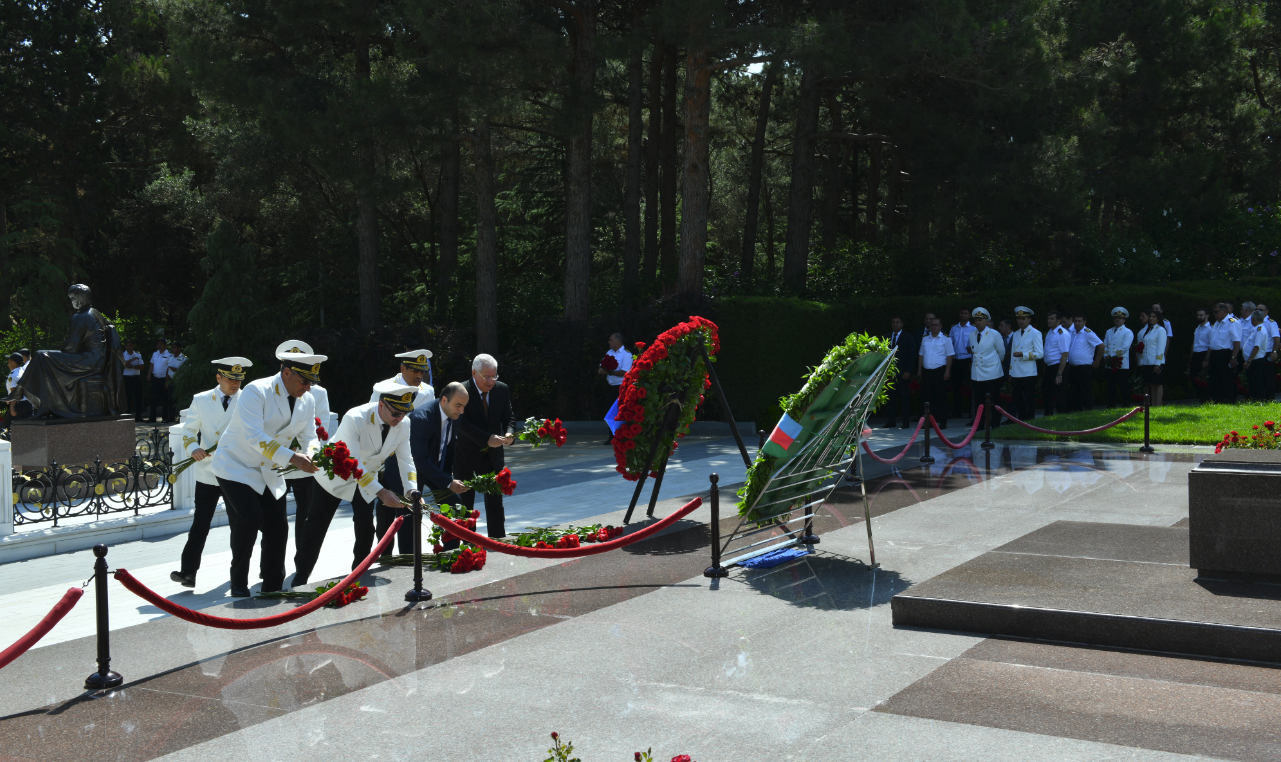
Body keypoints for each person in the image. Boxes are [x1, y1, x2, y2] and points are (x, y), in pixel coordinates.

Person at [210, 344, 325, 597]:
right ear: (286, 373)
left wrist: (313, 454)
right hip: (236, 465)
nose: (308, 388)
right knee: (249, 519)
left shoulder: (307, 400)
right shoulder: (256, 390)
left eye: (311, 382)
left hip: (269, 469)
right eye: (304, 381)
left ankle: (272, 585)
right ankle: (238, 581)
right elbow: (254, 436)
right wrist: (293, 457)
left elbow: (310, 436)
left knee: (278, 527)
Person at [292, 380, 418, 587]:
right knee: (315, 527)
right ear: (381, 405)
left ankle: (359, 575)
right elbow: (354, 462)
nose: (400, 418)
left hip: (366, 480)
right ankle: (301, 576)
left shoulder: (403, 423)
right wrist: (381, 492)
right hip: (336, 474)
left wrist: (411, 488)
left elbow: (406, 458)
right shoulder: (355, 417)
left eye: (404, 413)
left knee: (365, 528)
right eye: (396, 413)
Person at [169, 357, 252, 588]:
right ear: (218, 377)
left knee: (238, 524)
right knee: (200, 524)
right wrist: (192, 447)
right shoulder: (202, 399)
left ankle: (238, 574)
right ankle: (188, 572)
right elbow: (189, 430)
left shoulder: (249, 399)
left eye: (238, 379)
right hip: (207, 471)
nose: (234, 384)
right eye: (229, 379)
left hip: (236, 472)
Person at [369, 348, 436, 547]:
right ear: (402, 368)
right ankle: (384, 555)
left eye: (422, 371)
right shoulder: (385, 388)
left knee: (409, 509)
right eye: (414, 370)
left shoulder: (428, 391)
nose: (419, 375)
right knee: (386, 512)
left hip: (410, 457)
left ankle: (408, 556)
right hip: (386, 456)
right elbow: (373, 422)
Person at [273, 339, 328, 569]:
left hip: (304, 464)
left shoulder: (318, 393)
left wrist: (307, 451)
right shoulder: (271, 389)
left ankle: (300, 563)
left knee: (305, 517)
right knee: (277, 520)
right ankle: (275, 565)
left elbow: (320, 427)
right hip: (277, 462)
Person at [455, 353, 515, 539]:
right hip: (466, 456)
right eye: (487, 377)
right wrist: (486, 438)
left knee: (495, 503)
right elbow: (461, 423)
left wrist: (510, 433)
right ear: (474, 373)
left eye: (494, 376)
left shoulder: (501, 389)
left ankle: (498, 540)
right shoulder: (460, 391)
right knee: (465, 505)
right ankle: (466, 542)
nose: (491, 381)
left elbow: (509, 416)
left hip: (493, 456)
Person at [408, 381, 472, 550]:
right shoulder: (421, 419)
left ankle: (452, 551)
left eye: (464, 406)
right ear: (444, 400)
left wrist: (447, 479)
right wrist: (448, 482)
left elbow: (449, 446)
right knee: (412, 514)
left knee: (453, 504)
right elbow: (419, 459)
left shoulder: (454, 415)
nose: (461, 411)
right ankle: (410, 559)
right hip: (412, 470)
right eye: (458, 405)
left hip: (435, 468)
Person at [1059, 312, 1102, 411]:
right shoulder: (1072, 332)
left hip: (1084, 367)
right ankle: (1077, 410)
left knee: (1085, 390)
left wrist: (1097, 361)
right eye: (1075, 321)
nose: (1077, 323)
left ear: (1084, 322)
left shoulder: (1088, 333)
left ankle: (1088, 409)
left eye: (1079, 321)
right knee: (1074, 390)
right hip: (1072, 367)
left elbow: (1101, 345)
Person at [968, 308, 1004, 426]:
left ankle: (995, 422)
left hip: (992, 372)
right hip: (977, 373)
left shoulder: (994, 334)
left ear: (986, 321)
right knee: (979, 401)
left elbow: (1001, 352)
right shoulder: (972, 335)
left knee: (993, 400)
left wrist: (994, 364)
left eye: (980, 320)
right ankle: (980, 423)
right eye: (976, 320)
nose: (977, 323)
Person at [917, 317, 954, 429]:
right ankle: (929, 421)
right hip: (927, 371)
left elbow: (950, 355)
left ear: (940, 326)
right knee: (927, 398)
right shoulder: (925, 338)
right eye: (932, 325)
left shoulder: (946, 339)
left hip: (940, 370)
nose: (933, 327)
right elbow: (921, 355)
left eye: (936, 325)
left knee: (941, 397)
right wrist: (919, 370)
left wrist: (947, 371)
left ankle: (942, 421)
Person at [1009, 307, 1043, 421]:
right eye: (1018, 318)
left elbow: (1039, 354)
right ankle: (1022, 419)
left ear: (1029, 320)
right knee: (1017, 397)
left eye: (1023, 318)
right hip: (1016, 372)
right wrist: (1010, 371)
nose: (1020, 321)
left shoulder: (1035, 333)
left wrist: (1023, 354)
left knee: (1029, 398)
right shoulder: (1015, 333)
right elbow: (1012, 354)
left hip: (1028, 371)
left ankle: (1030, 419)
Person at [884, 317, 918, 429]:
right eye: (893, 322)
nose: (895, 324)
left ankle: (906, 421)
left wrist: (908, 371)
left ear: (902, 324)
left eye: (897, 322)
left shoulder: (908, 337)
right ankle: (891, 421)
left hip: (903, 373)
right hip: (890, 373)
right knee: (890, 399)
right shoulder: (887, 337)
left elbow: (912, 355)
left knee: (904, 398)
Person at [599, 333, 633, 443]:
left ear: (618, 341)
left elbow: (625, 372)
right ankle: (612, 437)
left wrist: (609, 371)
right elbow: (601, 368)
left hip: (622, 387)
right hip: (610, 386)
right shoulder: (609, 353)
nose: (609, 342)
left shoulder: (626, 354)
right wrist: (602, 370)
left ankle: (623, 436)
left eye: (611, 340)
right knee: (610, 412)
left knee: (622, 412)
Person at [1205, 302, 1242, 404]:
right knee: (1214, 379)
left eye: (1216, 312)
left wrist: (1234, 357)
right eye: (1213, 312)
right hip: (1215, 354)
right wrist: (1207, 358)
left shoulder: (1233, 322)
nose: (1214, 314)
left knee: (1226, 380)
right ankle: (1217, 401)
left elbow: (1237, 341)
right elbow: (1212, 342)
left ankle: (1228, 401)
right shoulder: (1217, 323)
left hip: (1225, 354)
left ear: (1224, 311)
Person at [1103, 308, 1134, 408]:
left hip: (1121, 363)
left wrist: (1111, 356)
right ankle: (1111, 405)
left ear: (1124, 320)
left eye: (1120, 318)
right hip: (1109, 363)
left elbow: (1125, 347)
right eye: (1116, 318)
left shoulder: (1128, 332)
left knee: (1123, 386)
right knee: (1110, 386)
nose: (1117, 320)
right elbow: (1105, 345)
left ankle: (1126, 404)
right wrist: (1105, 355)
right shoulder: (1109, 331)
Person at [949, 309, 976, 419]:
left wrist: (972, 361)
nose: (963, 315)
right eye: (961, 313)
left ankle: (971, 411)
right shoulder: (953, 328)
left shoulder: (973, 329)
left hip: (967, 359)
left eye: (965, 313)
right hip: (956, 360)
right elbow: (950, 344)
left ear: (969, 316)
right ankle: (957, 411)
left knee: (970, 387)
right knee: (956, 387)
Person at [1136, 311, 1168, 406]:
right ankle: (1153, 405)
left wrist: (1157, 363)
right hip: (1147, 361)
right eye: (1150, 317)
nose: (1151, 319)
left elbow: (1161, 347)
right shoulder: (1148, 330)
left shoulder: (1161, 330)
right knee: (1151, 384)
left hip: (1156, 361)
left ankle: (1157, 405)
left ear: (1158, 319)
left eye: (1154, 317)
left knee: (1157, 384)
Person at [1042, 311, 1069, 416]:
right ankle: (1048, 413)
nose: (1049, 320)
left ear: (1059, 320)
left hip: (1059, 366)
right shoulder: (1050, 332)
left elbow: (1065, 354)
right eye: (1048, 318)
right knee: (1046, 391)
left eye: (1052, 319)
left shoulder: (1062, 333)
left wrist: (1059, 373)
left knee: (1059, 392)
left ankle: (1061, 414)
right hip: (1050, 366)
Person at [1242, 310, 1270, 401]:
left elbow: (1256, 346)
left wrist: (1249, 361)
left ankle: (1260, 400)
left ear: (1253, 319)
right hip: (1254, 360)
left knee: (1257, 381)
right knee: (1253, 381)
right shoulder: (1257, 329)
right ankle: (1256, 399)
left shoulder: (1259, 330)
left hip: (1255, 360)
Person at [1189, 308, 1212, 403]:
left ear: (1207, 316)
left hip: (1203, 354)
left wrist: (1206, 359)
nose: (1199, 317)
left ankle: (1206, 399)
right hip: (1196, 354)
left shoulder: (1210, 329)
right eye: (1198, 315)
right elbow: (1194, 343)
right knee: (1194, 377)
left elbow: (1211, 344)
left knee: (1203, 378)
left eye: (1201, 315)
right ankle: (1201, 397)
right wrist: (1191, 358)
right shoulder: (1197, 328)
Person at [147, 338, 172, 423]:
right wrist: (149, 374)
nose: (159, 345)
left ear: (165, 345)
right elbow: (152, 364)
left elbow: (169, 367)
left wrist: (167, 380)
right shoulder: (155, 354)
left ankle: (165, 417)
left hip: (163, 379)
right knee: (153, 399)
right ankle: (152, 418)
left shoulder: (169, 355)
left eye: (161, 344)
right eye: (158, 344)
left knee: (165, 399)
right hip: (155, 378)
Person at [1259, 303, 1279, 400]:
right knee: (1259, 377)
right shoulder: (1255, 322)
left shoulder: (1270, 323)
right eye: (1256, 310)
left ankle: (1270, 398)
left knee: (1268, 377)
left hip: (1267, 353)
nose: (1258, 312)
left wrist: (1274, 352)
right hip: (1258, 354)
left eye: (1261, 310)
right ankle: (1261, 398)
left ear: (1266, 312)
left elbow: (1276, 338)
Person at [165, 341, 188, 422]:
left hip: (179, 381)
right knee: (170, 400)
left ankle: (180, 418)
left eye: (174, 347)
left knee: (179, 400)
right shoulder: (170, 357)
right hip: (171, 381)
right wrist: (166, 381)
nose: (172, 349)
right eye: (172, 347)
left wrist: (177, 370)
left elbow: (187, 370)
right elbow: (168, 370)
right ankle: (171, 418)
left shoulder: (184, 358)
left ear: (179, 348)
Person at [122, 340, 144, 421]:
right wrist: (132, 359)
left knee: (138, 397)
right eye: (127, 345)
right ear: (125, 347)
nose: (129, 347)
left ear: (133, 346)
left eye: (130, 345)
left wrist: (133, 366)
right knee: (127, 397)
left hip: (136, 377)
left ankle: (138, 416)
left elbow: (142, 366)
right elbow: (123, 364)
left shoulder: (138, 355)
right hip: (126, 378)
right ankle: (127, 415)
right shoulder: (123, 355)